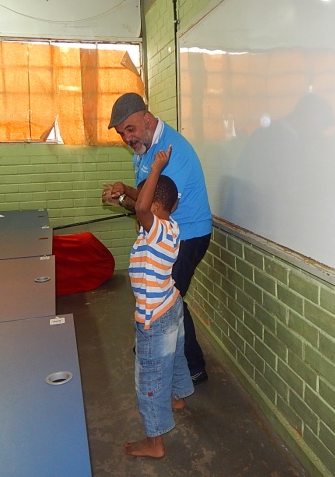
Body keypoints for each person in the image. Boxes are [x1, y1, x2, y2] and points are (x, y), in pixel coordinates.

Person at [102, 92, 212, 384]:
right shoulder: (144, 146)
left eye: (130, 129)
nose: (127, 138)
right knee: (165, 297)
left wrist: (124, 200)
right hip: (168, 234)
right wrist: (125, 190)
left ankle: (192, 366)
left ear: (147, 119)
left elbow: (154, 209)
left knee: (169, 299)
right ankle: (157, 346)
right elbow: (146, 194)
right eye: (121, 133)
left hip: (188, 234)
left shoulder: (171, 151)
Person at [124, 145, 194, 458]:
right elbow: (141, 204)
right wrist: (122, 195)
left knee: (150, 376)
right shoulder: (169, 226)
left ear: (153, 206)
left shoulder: (154, 229)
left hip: (154, 316)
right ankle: (178, 397)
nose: (136, 206)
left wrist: (155, 169)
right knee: (175, 357)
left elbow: (141, 208)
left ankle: (155, 443)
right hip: (171, 305)